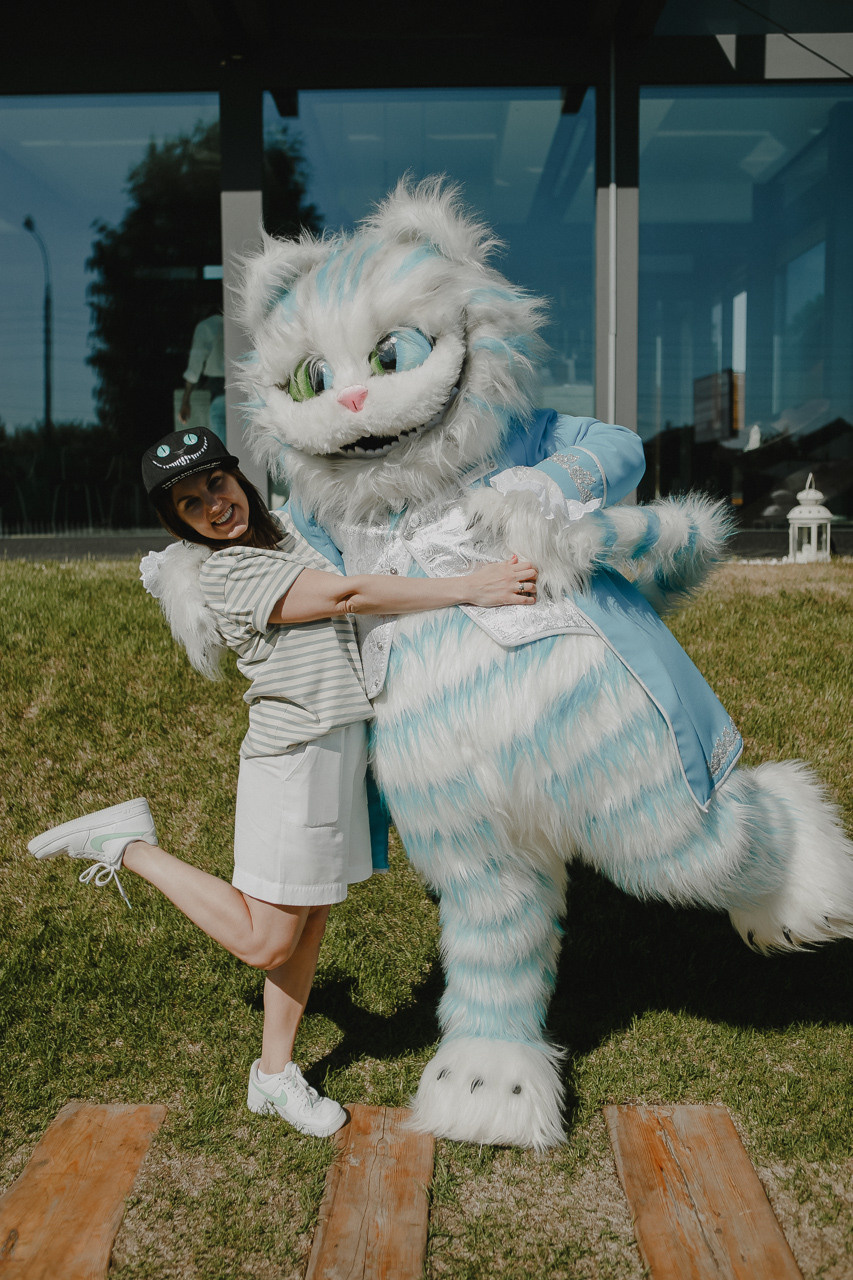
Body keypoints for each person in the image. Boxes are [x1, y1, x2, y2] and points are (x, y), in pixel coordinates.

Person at [28, 426, 537, 1139]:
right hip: (291, 764)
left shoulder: (284, 541)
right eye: (189, 502)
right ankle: (129, 844)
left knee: (307, 925)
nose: (212, 505)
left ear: (239, 479)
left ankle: (273, 1075)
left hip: (334, 760)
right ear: (176, 521)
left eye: (216, 484)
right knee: (266, 942)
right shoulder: (229, 571)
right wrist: (470, 589)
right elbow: (348, 595)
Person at [179, 314, 226, 442]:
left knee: (222, 448)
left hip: (220, 393)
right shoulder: (236, 319)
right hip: (244, 386)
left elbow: (195, 366)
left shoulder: (207, 326)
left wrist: (185, 400)